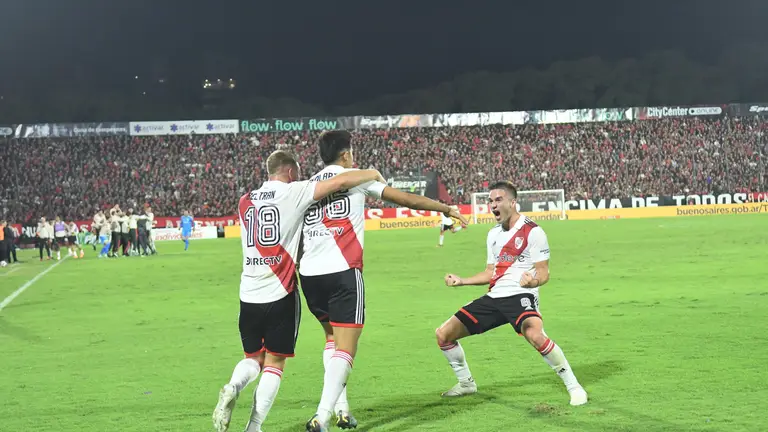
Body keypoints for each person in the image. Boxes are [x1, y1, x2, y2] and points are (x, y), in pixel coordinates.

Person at [301, 131, 469, 432]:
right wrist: (445, 208)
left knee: (331, 340)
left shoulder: (308, 185)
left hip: (310, 275)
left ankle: (342, 410)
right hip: (342, 270)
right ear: (345, 155)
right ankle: (321, 416)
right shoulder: (356, 178)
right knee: (346, 348)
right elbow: (406, 199)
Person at [212, 150, 386, 432]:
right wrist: (373, 173)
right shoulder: (293, 192)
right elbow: (340, 182)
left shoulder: (245, 201)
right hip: (280, 292)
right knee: (274, 364)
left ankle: (233, 385)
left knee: (252, 359)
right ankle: (254, 426)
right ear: (291, 172)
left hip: (248, 293)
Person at [435, 181, 588, 406]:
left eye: (498, 200)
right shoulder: (493, 234)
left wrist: (533, 281)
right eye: (490, 201)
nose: (493, 205)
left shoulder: (533, 231)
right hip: (495, 296)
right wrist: (462, 281)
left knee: (535, 335)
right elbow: (490, 272)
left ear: (513, 202)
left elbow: (544, 273)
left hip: (520, 295)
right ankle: (466, 384)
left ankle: (574, 387)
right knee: (443, 334)